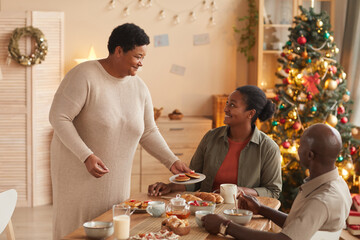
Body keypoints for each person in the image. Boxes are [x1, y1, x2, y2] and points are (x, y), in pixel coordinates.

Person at [49, 23, 190, 239]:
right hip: (78, 176)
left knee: (115, 228)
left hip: (116, 181)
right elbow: (59, 117)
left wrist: (171, 161)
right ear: (118, 51)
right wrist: (86, 155)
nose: (141, 63)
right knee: (77, 232)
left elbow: (148, 131)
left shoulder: (139, 87)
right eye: (137, 56)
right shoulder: (84, 75)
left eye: (143, 58)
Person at [201, 123, 352, 240]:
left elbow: (284, 239)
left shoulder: (321, 201)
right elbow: (298, 227)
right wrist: (261, 208)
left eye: (301, 145)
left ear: (310, 155)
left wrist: (225, 226)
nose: (298, 149)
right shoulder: (338, 184)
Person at [148, 85, 282, 198]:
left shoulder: (268, 148)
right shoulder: (211, 137)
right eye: (227, 103)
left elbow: (273, 191)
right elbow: (195, 179)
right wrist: (170, 187)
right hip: (207, 210)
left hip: (243, 214)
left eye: (233, 105)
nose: (226, 109)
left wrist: (241, 191)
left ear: (250, 113)